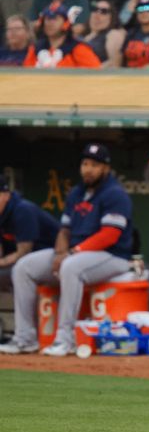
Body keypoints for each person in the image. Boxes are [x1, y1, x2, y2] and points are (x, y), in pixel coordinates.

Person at [0, 143, 133, 357]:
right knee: (23, 267)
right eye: (85, 163)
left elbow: (110, 235)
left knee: (70, 267)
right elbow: (64, 229)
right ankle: (25, 338)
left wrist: (71, 253)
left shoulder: (115, 194)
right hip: (77, 253)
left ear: (106, 168)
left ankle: (65, 339)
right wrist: (61, 252)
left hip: (113, 256)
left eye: (95, 165)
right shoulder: (76, 193)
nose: (88, 169)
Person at [0, 174, 59, 291]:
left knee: (12, 272)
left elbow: (23, 253)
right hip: (28, 262)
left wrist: (1, 262)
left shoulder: (22, 210)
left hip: (55, 256)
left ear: (6, 195)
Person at [24, 2, 102, 68]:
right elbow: (25, 75)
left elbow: (96, 75)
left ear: (66, 23)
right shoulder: (36, 48)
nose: (50, 23)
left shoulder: (78, 48)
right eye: (47, 19)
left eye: (55, 19)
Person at [84, 0, 125, 68]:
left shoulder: (113, 34)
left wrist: (90, 72)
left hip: (97, 76)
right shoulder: (86, 36)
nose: (97, 15)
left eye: (104, 11)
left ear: (111, 17)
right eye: (94, 9)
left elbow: (114, 64)